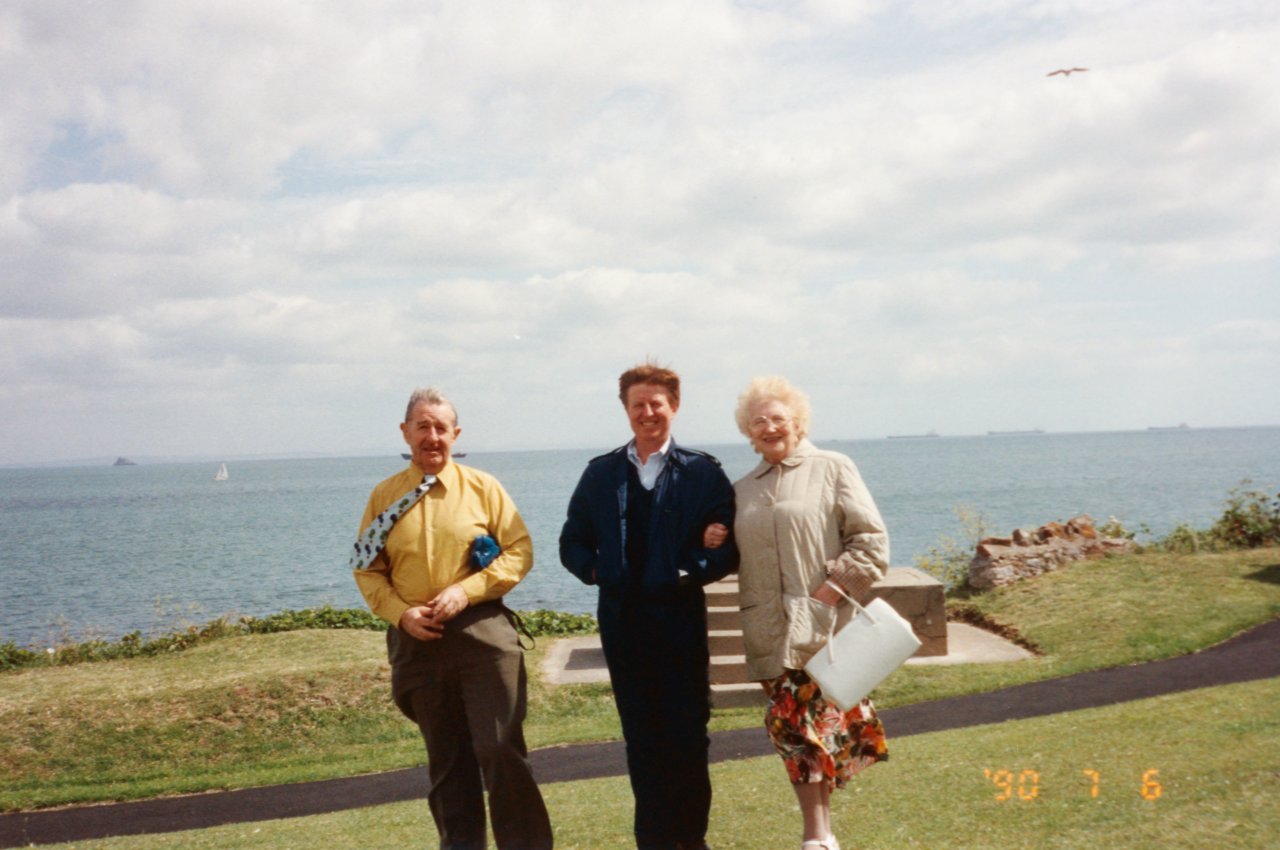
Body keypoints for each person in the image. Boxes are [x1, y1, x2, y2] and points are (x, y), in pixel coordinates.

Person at [352, 387, 553, 850]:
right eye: (422, 426)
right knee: (447, 764)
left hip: (482, 635)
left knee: (499, 750)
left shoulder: (484, 488)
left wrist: (467, 591)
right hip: (417, 644)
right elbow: (366, 568)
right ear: (405, 432)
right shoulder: (384, 496)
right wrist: (402, 615)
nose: (432, 436)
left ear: (455, 433)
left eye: (441, 427)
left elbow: (519, 552)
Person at [559, 362, 739, 850]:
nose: (647, 413)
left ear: (674, 407)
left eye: (656, 403)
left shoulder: (703, 473)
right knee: (642, 740)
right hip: (624, 627)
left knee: (687, 737)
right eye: (637, 404)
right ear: (626, 410)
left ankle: (690, 839)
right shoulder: (600, 474)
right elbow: (572, 543)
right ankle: (653, 841)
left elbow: (726, 547)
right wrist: (599, 572)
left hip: (679, 624)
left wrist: (692, 567)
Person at [723, 376, 890, 850]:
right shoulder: (742, 491)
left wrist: (832, 591)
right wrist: (713, 538)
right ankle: (820, 836)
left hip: (823, 629)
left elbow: (872, 543)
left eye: (778, 418)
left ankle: (817, 836)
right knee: (794, 731)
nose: (769, 427)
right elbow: (734, 555)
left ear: (797, 422)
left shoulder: (834, 467)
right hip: (767, 630)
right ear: (748, 433)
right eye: (759, 422)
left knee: (799, 727)